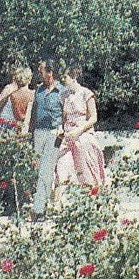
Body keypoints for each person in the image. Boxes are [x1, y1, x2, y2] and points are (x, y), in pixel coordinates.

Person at [54, 63, 108, 192]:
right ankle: (60, 198)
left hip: (82, 132)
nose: (63, 81)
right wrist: (60, 129)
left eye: (65, 78)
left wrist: (78, 130)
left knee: (84, 150)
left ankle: (91, 189)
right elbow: (62, 119)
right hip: (67, 135)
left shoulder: (86, 93)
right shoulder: (64, 96)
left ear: (73, 78)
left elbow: (93, 117)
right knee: (60, 161)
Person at [24, 61, 65, 219]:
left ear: (50, 73)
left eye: (41, 72)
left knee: (46, 170)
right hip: (39, 132)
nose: (39, 75)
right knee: (39, 169)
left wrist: (63, 130)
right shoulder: (39, 90)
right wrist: (29, 132)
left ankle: (39, 209)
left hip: (54, 132)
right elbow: (33, 112)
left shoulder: (62, 90)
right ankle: (43, 205)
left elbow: (66, 111)